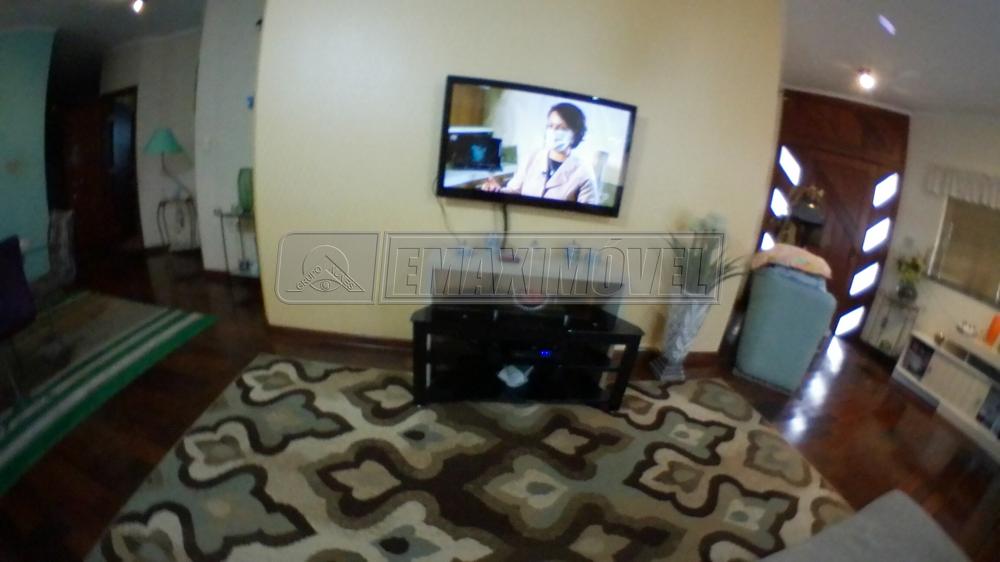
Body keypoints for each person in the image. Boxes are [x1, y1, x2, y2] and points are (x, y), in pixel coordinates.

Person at [480, 103, 598, 204]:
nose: (554, 132)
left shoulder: (584, 172)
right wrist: (496, 191)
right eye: (550, 126)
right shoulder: (531, 157)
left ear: (575, 134)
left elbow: (587, 214)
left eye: (561, 128)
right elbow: (514, 191)